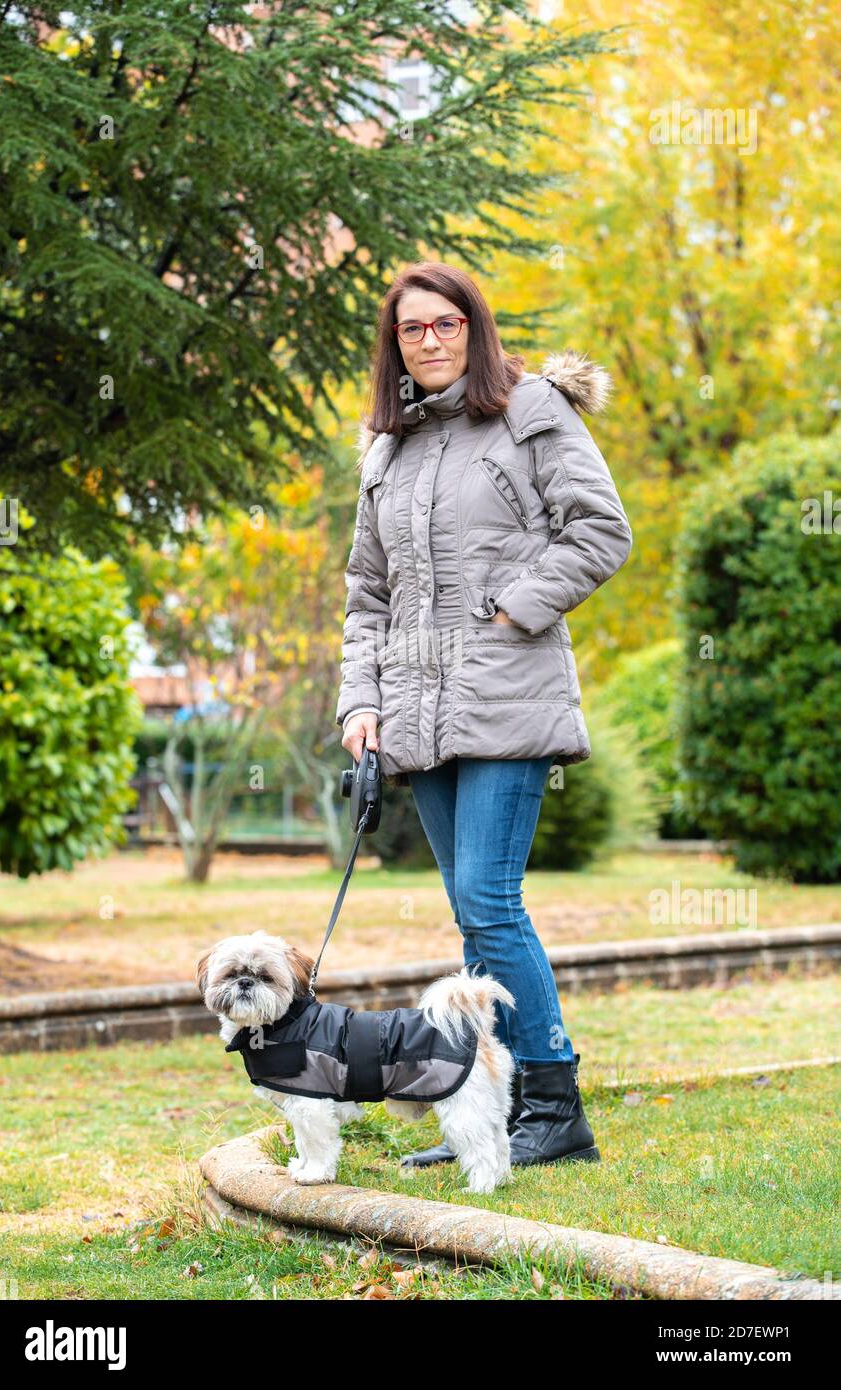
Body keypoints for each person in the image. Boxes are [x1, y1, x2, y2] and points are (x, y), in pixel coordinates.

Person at [335, 261, 632, 1168]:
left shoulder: (532, 411)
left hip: (506, 698)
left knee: (489, 901)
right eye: (411, 328)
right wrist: (362, 700)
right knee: (472, 916)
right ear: (395, 344)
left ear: (474, 327)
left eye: (446, 324)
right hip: (416, 716)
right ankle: (499, 1106)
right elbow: (365, 592)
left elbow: (600, 529)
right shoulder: (386, 449)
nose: (429, 340)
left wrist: (513, 607)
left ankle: (555, 1103)